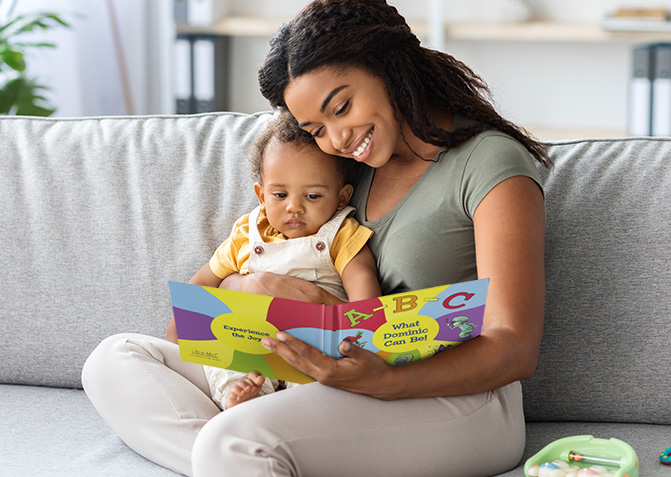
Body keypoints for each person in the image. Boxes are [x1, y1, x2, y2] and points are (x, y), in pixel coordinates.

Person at [83, 0, 548, 475]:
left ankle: (238, 455)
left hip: (458, 400)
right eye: (315, 129)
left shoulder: (490, 163)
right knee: (115, 360)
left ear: (389, 66)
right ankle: (239, 459)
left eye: (341, 107)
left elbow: (513, 345)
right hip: (320, 373)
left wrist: (383, 380)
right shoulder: (344, 170)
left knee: (233, 441)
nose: (339, 139)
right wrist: (240, 295)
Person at [177, 112, 380, 410]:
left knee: (316, 387)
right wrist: (180, 330)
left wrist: (362, 339)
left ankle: (288, 412)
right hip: (252, 344)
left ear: (340, 198)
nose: (294, 207)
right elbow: (203, 286)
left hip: (314, 348)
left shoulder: (340, 234)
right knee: (228, 363)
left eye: (312, 196)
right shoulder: (247, 234)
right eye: (280, 194)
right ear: (261, 195)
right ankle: (242, 397)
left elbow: (363, 285)